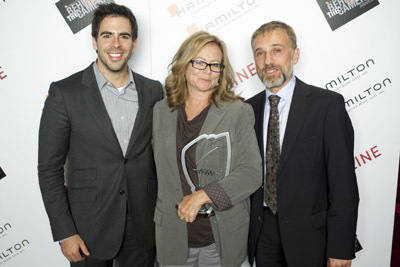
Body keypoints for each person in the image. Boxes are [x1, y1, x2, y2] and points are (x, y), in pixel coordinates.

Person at [38, 3, 163, 267]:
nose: (116, 44)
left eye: (124, 36)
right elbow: (49, 169)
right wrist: (64, 232)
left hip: (143, 224)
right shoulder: (65, 93)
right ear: (94, 41)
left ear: (134, 42)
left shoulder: (153, 91)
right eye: (107, 35)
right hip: (87, 228)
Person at [246, 21, 359, 267]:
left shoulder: (327, 105)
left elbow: (344, 185)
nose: (268, 61)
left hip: (312, 237)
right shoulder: (247, 110)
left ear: (295, 54)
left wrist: (340, 247)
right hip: (262, 235)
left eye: (277, 50)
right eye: (260, 53)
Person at [152, 31, 262, 267]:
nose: (207, 71)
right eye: (200, 62)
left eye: (215, 65)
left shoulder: (236, 112)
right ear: (184, 63)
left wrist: (203, 196)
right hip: (172, 235)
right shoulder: (160, 111)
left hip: (221, 238)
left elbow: (251, 173)